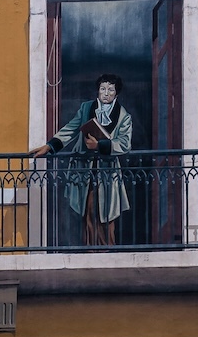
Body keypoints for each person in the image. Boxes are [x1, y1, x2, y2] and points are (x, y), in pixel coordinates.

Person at [31, 75, 133, 247]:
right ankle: (91, 249)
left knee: (108, 213)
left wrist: (99, 145)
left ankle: (106, 251)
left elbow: (124, 143)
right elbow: (71, 129)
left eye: (110, 90)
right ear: (98, 90)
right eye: (102, 89)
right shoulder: (86, 108)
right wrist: (50, 146)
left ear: (116, 93)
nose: (105, 93)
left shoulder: (124, 117)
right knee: (89, 211)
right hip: (85, 170)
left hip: (108, 173)